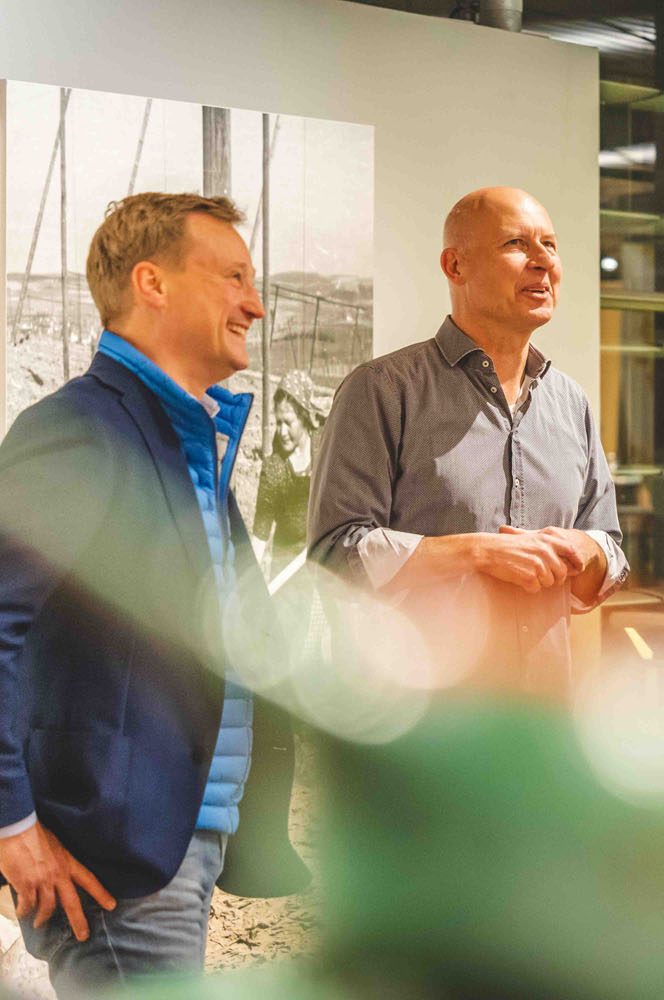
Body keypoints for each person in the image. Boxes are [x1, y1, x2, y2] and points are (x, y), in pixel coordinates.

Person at [0, 193, 306, 996]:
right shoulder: (80, 430)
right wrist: (11, 827)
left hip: (180, 848)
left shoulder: (183, 437)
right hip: (118, 871)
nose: (257, 302)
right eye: (234, 276)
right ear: (152, 284)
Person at [309, 186, 628, 695]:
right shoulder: (383, 391)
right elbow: (334, 553)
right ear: (455, 266)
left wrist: (582, 548)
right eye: (517, 245)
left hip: (542, 728)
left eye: (551, 244)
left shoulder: (572, 404)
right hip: (420, 730)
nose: (544, 261)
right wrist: (475, 553)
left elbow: (611, 553)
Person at [253, 369, 325, 575]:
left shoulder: (325, 445)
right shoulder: (274, 468)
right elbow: (260, 534)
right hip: (288, 568)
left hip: (326, 560)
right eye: (278, 422)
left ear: (304, 418)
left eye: (288, 422)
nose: (282, 431)